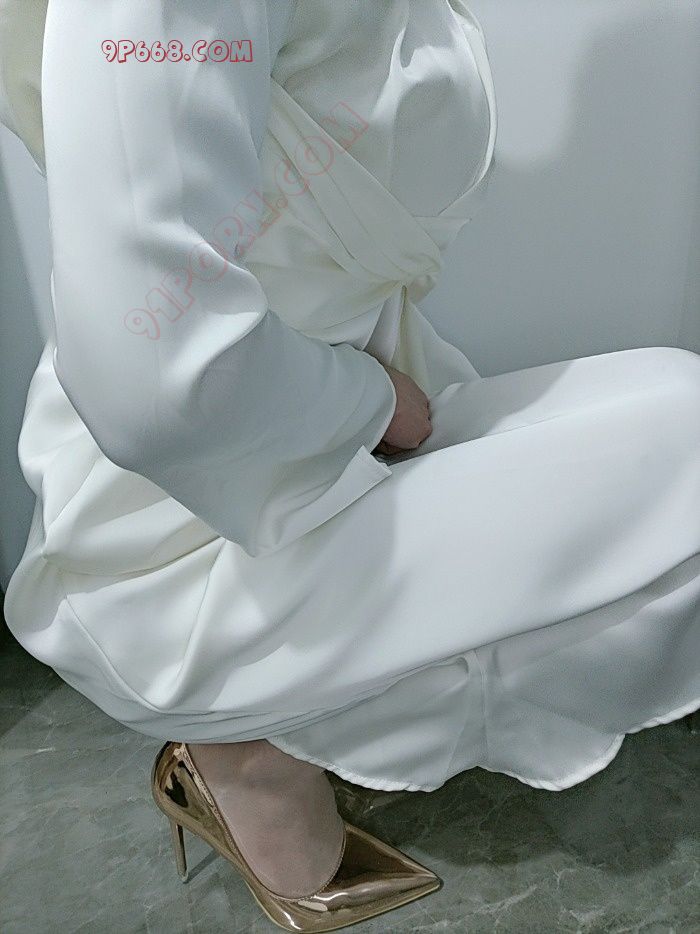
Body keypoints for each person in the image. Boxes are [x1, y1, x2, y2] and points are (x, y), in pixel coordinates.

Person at [2, 1, 699, 930]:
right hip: (184, 540)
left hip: (307, 441)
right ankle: (246, 750)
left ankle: (272, 727)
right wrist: (368, 402)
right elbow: (152, 378)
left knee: (668, 429)